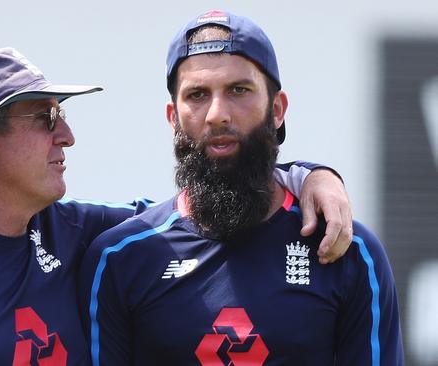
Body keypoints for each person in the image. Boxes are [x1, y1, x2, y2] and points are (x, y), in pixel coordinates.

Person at [0, 47, 350, 366]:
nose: (68, 136)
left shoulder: (81, 230)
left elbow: (200, 209)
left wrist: (303, 174)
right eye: (45, 118)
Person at [78, 10, 403, 366]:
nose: (217, 114)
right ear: (174, 119)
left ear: (276, 110)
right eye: (198, 95)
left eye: (238, 90)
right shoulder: (119, 258)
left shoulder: (348, 250)